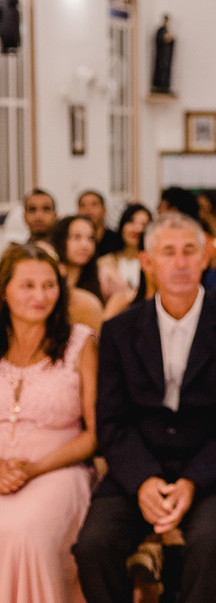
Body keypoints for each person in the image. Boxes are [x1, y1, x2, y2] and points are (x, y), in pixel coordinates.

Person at [73, 213, 216, 603]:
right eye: (168, 253)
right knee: (94, 546)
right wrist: (143, 480)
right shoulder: (119, 331)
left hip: (215, 474)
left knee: (209, 546)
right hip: (136, 471)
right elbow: (112, 420)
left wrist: (192, 481)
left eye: (189, 251)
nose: (180, 263)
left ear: (206, 257)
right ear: (148, 262)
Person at [0, 244, 97, 603]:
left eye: (49, 285)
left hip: (59, 468)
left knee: (24, 533)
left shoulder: (80, 343)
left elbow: (95, 434)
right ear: (4, 289)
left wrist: (34, 468)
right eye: (28, 285)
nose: (41, 296)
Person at [96, 203, 153, 315]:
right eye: (131, 221)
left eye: (144, 224)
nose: (137, 229)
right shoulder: (104, 262)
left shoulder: (153, 263)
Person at [77, 190, 123, 257]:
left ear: (104, 210)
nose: (88, 209)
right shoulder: (73, 241)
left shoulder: (118, 240)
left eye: (94, 204)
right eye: (83, 205)